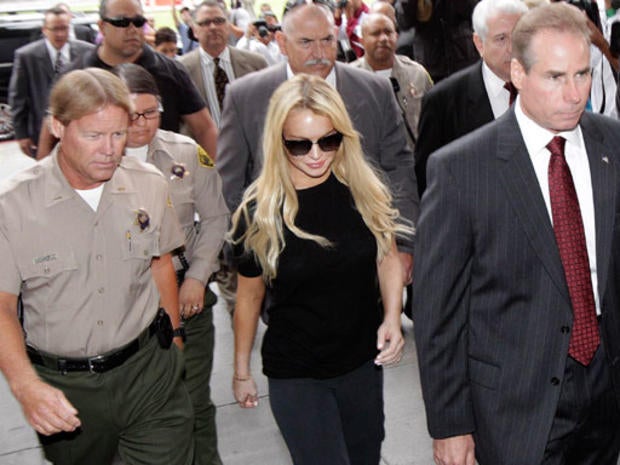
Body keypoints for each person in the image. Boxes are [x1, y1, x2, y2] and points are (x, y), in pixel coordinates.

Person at [413, 3, 620, 464]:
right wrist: (450, 423)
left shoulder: (613, 145)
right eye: (554, 77)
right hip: (512, 400)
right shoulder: (462, 169)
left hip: (606, 388)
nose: (573, 94)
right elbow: (438, 312)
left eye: (583, 74)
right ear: (518, 74)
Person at [0, 68, 194, 465]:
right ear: (57, 126)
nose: (109, 148)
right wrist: (26, 387)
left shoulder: (149, 184)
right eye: (93, 135)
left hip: (149, 374)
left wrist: (174, 341)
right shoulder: (13, 206)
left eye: (118, 134)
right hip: (67, 390)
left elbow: (160, 264)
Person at [230, 74, 408, 465]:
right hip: (297, 372)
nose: (316, 154)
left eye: (328, 141)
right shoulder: (259, 212)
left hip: (361, 362)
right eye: (300, 144)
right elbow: (248, 296)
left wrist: (393, 316)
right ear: (279, 142)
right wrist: (241, 369)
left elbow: (387, 256)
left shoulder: (363, 192)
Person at [217, 1, 417, 285]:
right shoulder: (245, 97)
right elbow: (231, 183)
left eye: (327, 40)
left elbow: (399, 169)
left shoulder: (375, 91)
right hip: (282, 271)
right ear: (282, 43)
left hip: (367, 266)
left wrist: (404, 244)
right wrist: (250, 258)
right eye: (306, 42)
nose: (319, 53)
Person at [115, 63, 229, 465]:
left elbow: (216, 218)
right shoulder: (95, 162)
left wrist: (198, 278)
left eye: (151, 111)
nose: (142, 123)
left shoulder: (185, 153)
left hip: (187, 295)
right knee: (137, 412)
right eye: (131, 115)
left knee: (193, 400)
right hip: (125, 306)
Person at [37, 0, 217, 161]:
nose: (132, 29)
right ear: (102, 26)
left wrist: (211, 178)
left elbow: (205, 128)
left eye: (138, 22)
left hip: (165, 182)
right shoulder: (74, 76)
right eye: (122, 22)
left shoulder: (170, 71)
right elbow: (49, 135)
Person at [414, 0, 528, 196]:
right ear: (479, 44)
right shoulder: (444, 102)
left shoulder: (545, 86)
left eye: (518, 36)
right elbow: (429, 180)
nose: (512, 48)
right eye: (501, 39)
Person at [8, 6, 94, 157]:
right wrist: (21, 134)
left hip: (82, 131)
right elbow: (18, 98)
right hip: (42, 132)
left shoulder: (87, 52)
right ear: (44, 30)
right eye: (55, 29)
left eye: (64, 28)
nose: (60, 34)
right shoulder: (27, 56)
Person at [179, 0, 268, 128]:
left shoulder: (256, 64)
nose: (213, 27)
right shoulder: (180, 70)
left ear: (228, 26)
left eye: (219, 21)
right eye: (205, 23)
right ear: (194, 30)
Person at [352, 12, 433, 150]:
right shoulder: (350, 79)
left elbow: (434, 118)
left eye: (388, 32)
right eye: (376, 33)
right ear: (362, 40)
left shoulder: (416, 73)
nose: (383, 38)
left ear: (396, 36)